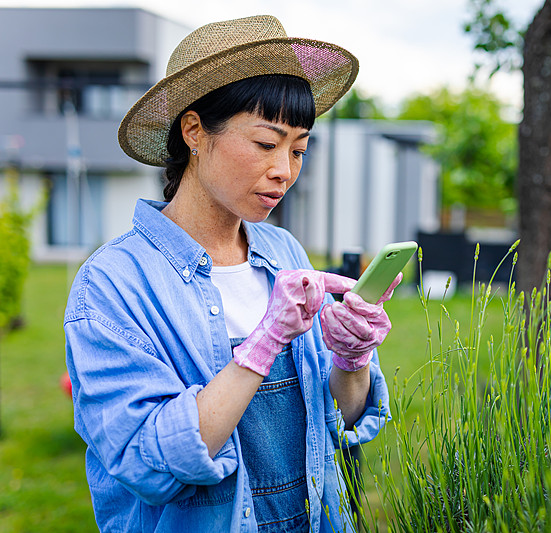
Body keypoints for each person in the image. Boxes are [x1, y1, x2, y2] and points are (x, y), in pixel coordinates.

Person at [64, 15, 396, 533]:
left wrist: (353, 358)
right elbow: (149, 463)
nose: (284, 170)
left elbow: (340, 424)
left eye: (299, 149)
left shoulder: (284, 250)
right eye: (267, 144)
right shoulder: (112, 284)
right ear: (194, 130)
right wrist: (264, 342)